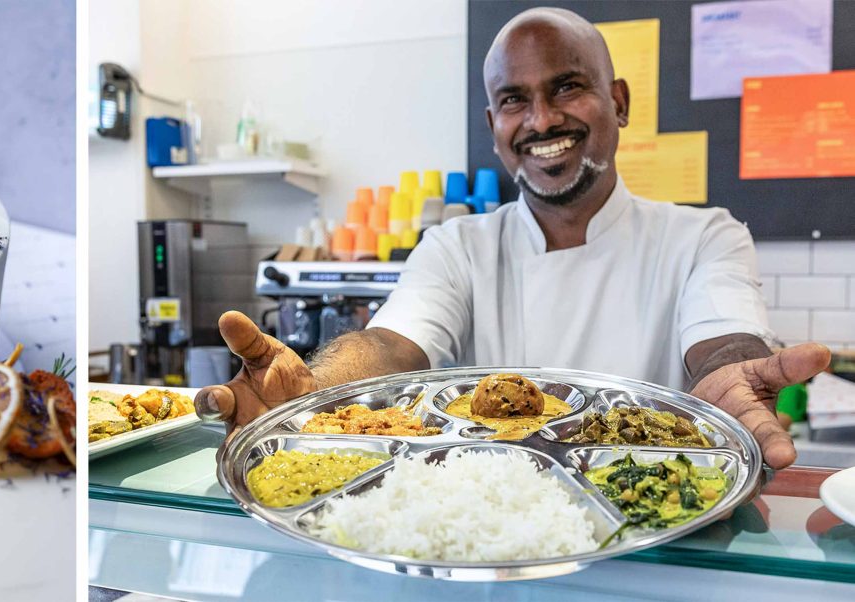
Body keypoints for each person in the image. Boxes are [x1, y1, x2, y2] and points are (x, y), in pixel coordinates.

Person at [194, 7, 831, 470]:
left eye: (567, 88)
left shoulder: (704, 237)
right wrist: (324, 385)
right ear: (493, 123)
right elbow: (391, 344)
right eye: (513, 99)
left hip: (647, 529)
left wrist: (731, 380)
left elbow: (720, 342)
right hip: (484, 537)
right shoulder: (456, 246)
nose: (542, 119)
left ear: (619, 101)